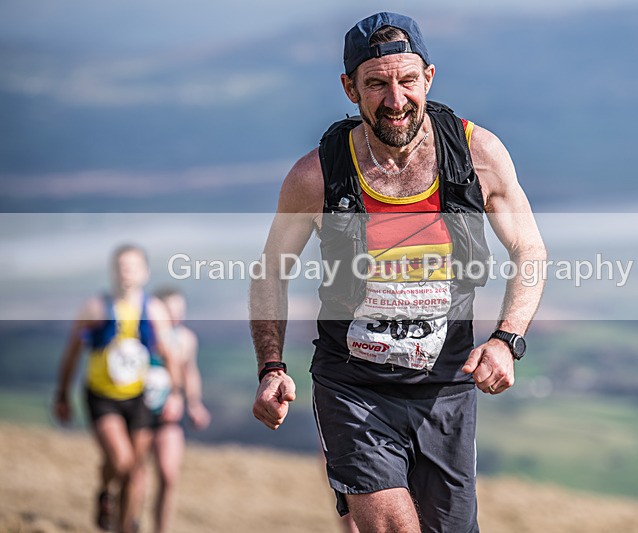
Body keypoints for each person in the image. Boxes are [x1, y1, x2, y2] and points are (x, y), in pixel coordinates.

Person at [250, 12, 546, 533]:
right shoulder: (315, 176)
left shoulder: (478, 157)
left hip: (446, 388)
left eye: (407, 80)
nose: (395, 99)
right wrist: (271, 366)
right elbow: (271, 271)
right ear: (349, 89)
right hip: (354, 387)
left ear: (428, 77)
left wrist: (506, 340)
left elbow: (530, 251)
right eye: (376, 83)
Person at [53, 244, 183, 533]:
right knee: (124, 463)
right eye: (122, 266)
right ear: (112, 271)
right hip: (102, 397)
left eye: (133, 266)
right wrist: (62, 394)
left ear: (145, 272)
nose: (127, 272)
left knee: (135, 472)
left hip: (139, 398)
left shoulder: (154, 309)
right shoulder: (95, 307)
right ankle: (104, 490)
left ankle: (124, 525)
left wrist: (175, 394)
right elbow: (72, 353)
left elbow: (171, 355)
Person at [143, 287, 211, 533]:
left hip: (169, 414)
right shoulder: (142, 335)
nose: (176, 315)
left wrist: (193, 403)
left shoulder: (186, 339)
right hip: (138, 413)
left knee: (168, 476)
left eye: (180, 310)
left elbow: (190, 373)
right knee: (135, 476)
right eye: (171, 310)